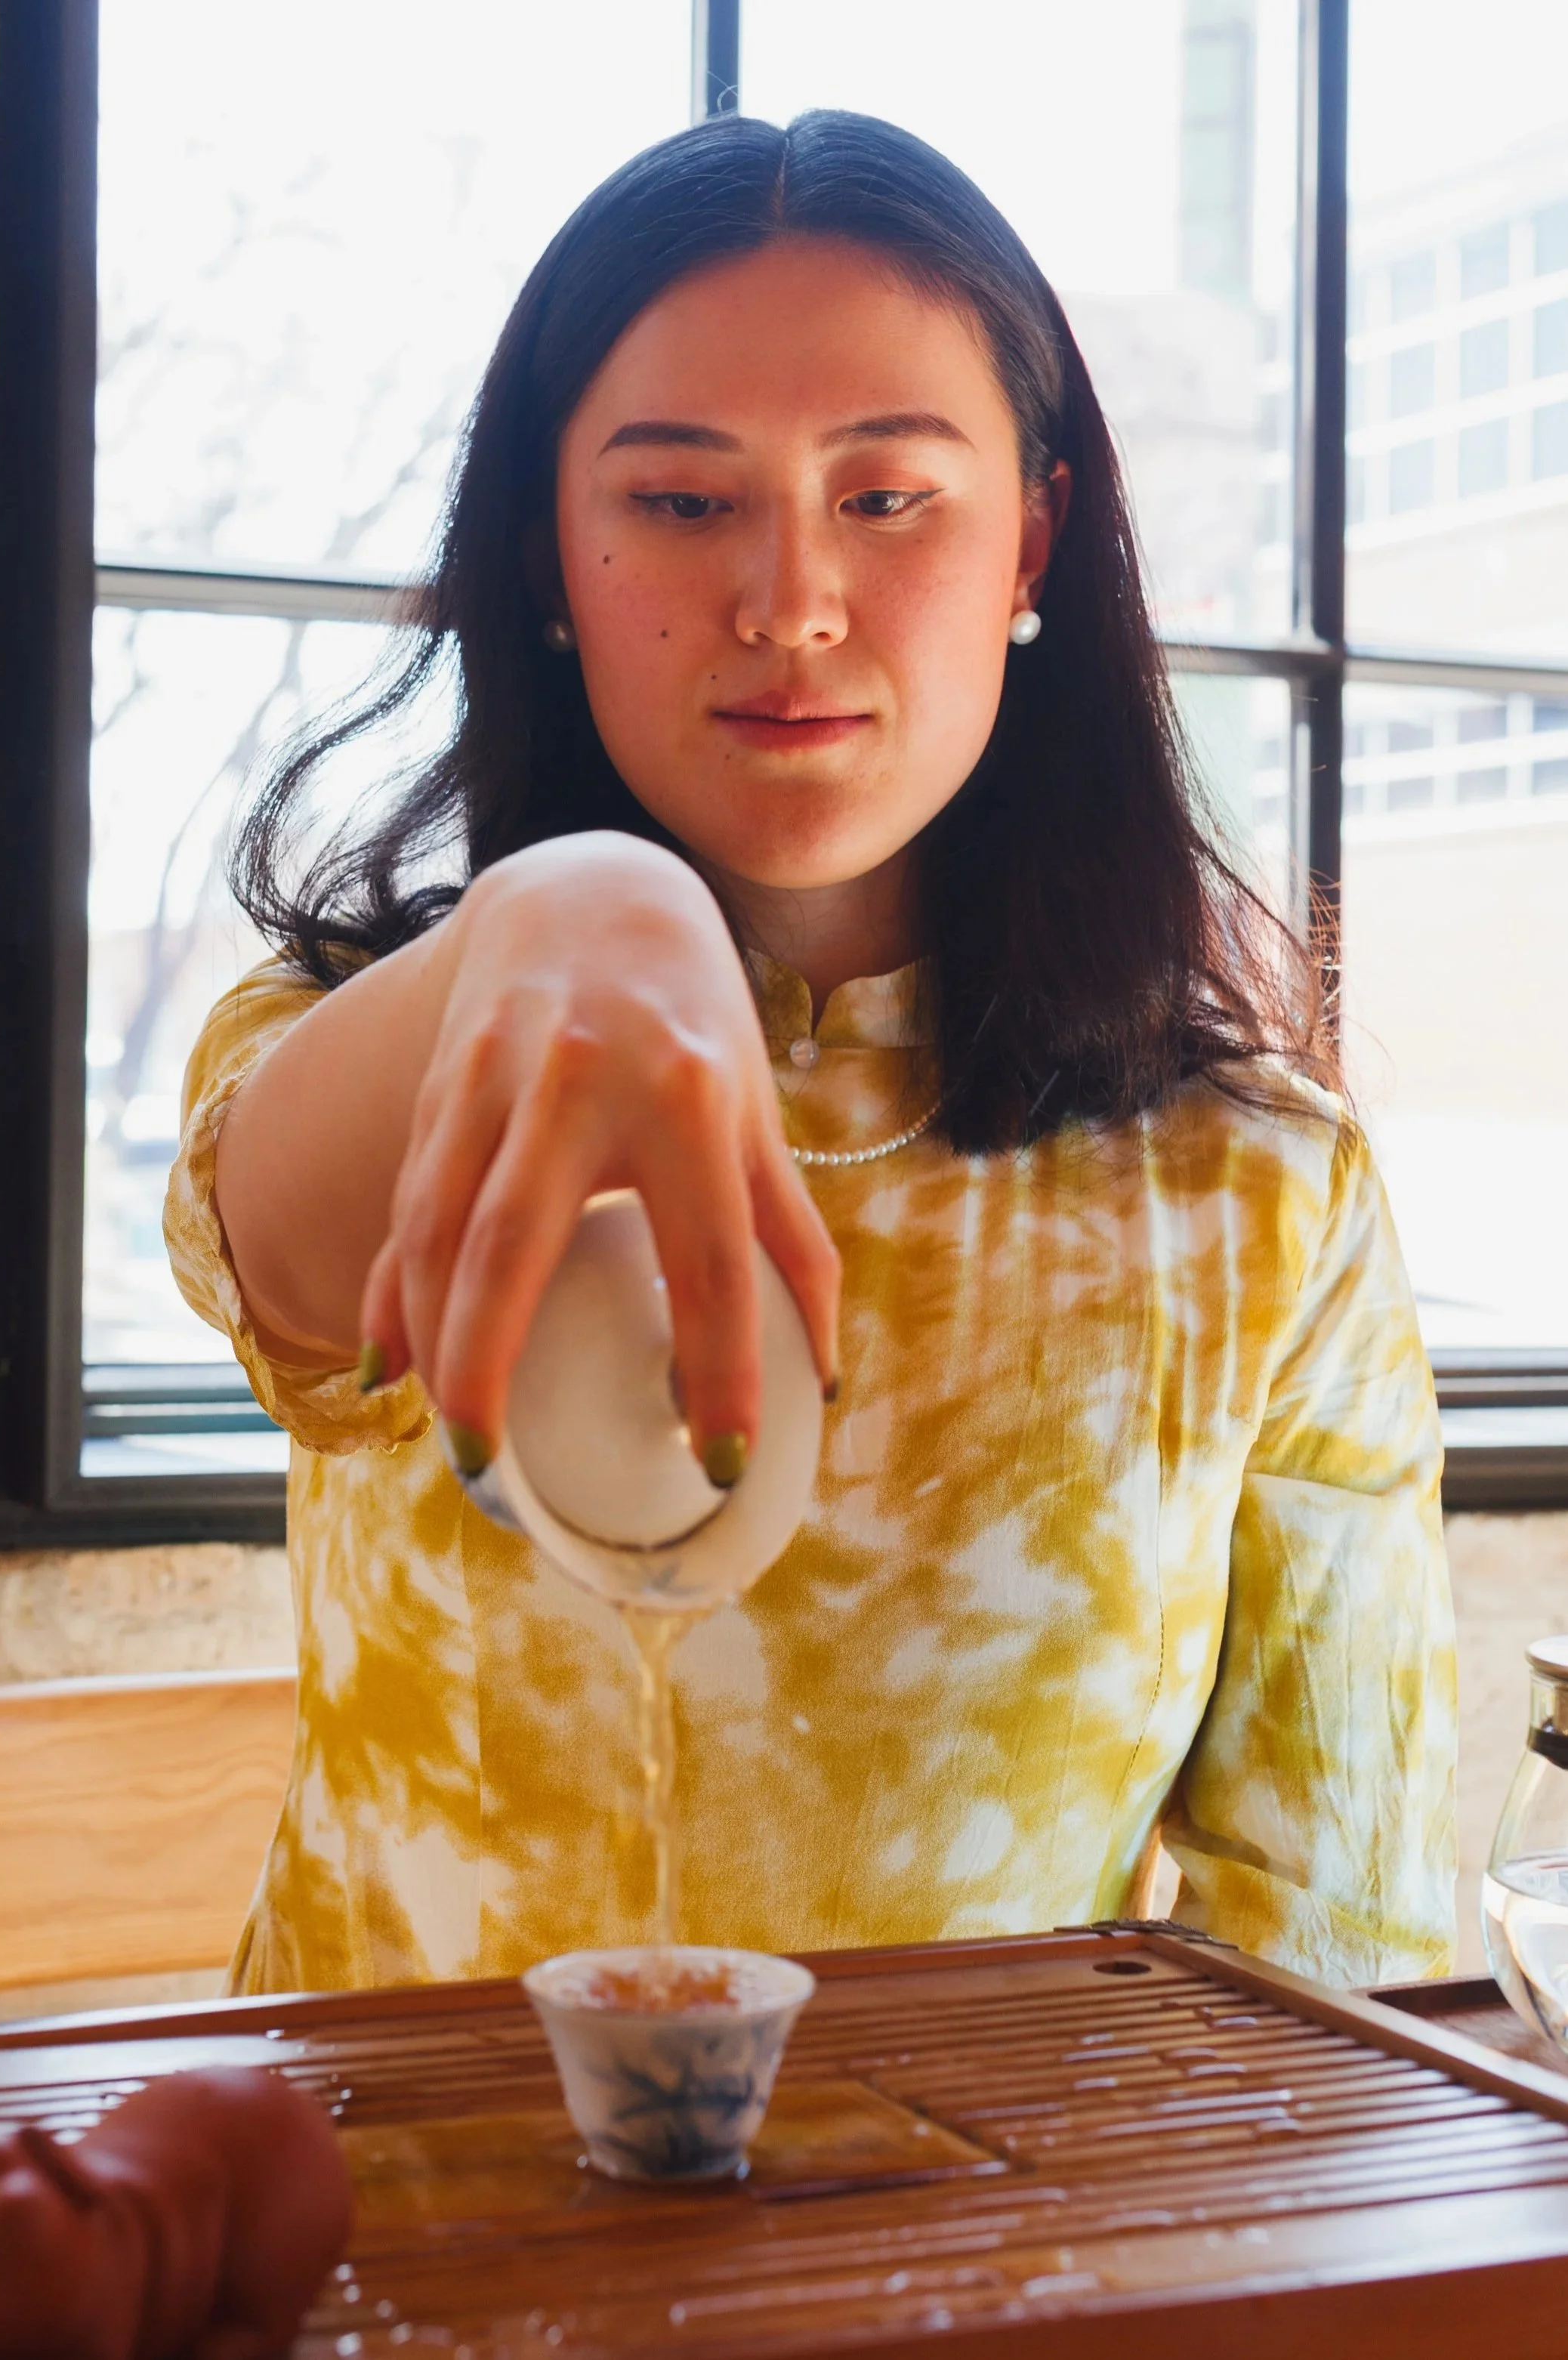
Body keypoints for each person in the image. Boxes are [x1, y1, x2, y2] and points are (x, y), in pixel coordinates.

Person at [166, 110, 1455, 1996]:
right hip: (399, 2248)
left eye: (885, 495)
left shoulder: (1252, 1189)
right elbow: (253, 1247)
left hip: (1007, 2265)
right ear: (549, 547)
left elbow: (1348, 1947)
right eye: (682, 502)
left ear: (1031, 534)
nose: (788, 599)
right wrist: (559, 912)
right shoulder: (378, 1040)